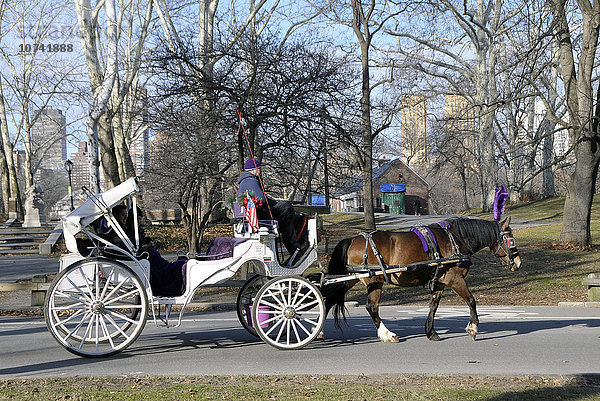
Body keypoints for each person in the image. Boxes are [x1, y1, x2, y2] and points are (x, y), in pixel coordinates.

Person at [237, 158, 309, 261]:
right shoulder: (251, 180)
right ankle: (294, 246)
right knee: (286, 206)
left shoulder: (244, 181)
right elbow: (262, 199)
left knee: (287, 217)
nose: (260, 171)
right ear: (254, 169)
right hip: (262, 216)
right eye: (259, 169)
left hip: (258, 215)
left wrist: (273, 202)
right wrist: (274, 202)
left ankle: (294, 247)